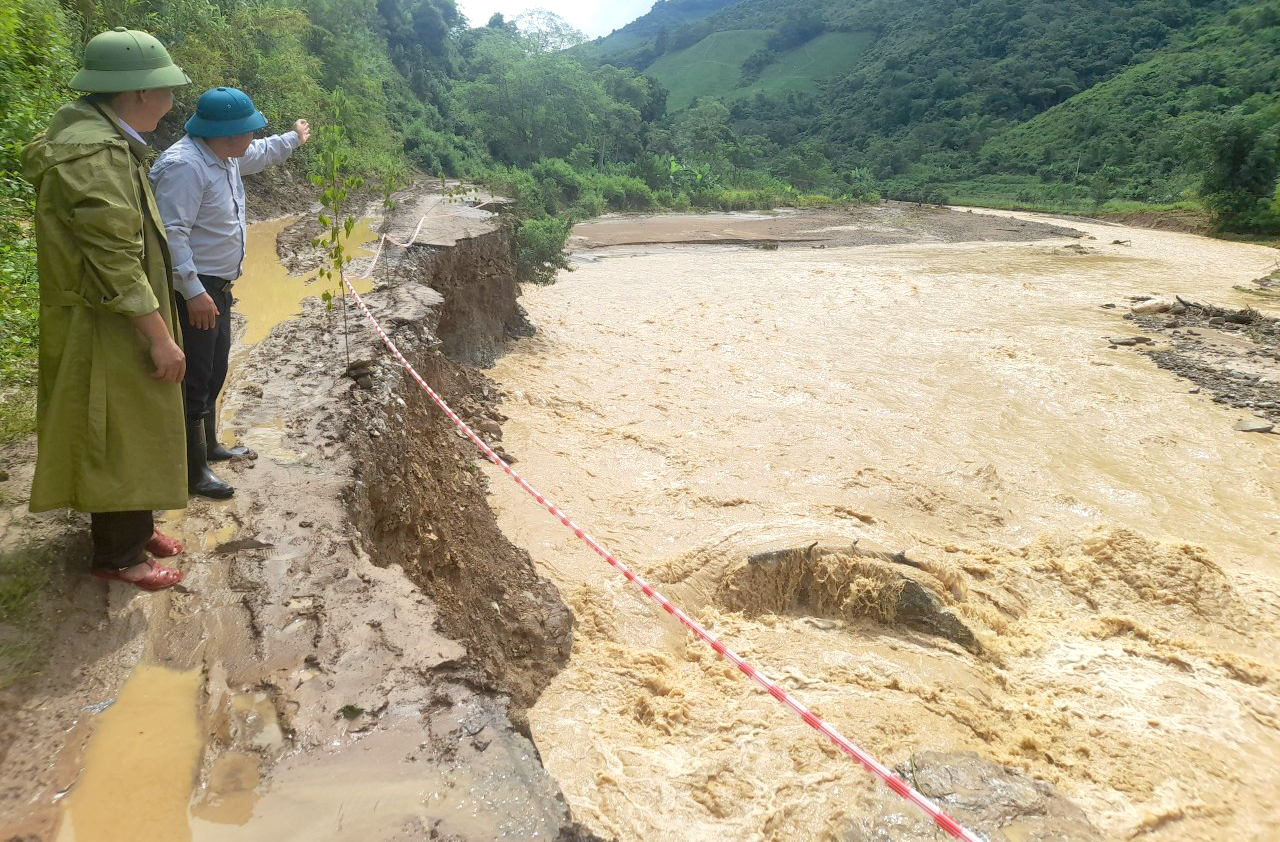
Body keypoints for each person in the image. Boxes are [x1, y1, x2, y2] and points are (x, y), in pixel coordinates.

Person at [20, 28, 192, 591]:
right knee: (117, 429)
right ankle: (119, 555)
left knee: (139, 423)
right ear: (136, 93)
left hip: (122, 313)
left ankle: (136, 528)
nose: (171, 104)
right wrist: (160, 335)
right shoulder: (93, 156)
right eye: (166, 91)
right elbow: (114, 261)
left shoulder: (104, 140)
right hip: (109, 319)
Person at [149, 88, 309, 499]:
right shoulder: (184, 167)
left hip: (217, 289)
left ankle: (211, 447)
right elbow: (172, 233)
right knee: (195, 379)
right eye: (248, 131)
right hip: (196, 290)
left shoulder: (224, 155)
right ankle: (192, 470)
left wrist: (293, 138)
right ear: (225, 133)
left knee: (215, 370)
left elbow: (262, 153)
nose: (252, 138)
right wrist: (192, 291)